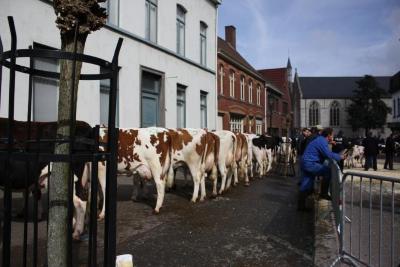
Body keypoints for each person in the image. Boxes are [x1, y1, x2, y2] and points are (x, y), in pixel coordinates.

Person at [298, 127, 344, 211]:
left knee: (305, 183)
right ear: (329, 135)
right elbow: (328, 154)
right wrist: (340, 157)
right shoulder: (322, 141)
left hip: (305, 162)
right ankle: (324, 193)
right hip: (310, 164)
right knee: (328, 171)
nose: (333, 136)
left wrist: (329, 142)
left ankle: (300, 206)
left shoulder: (320, 140)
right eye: (332, 135)